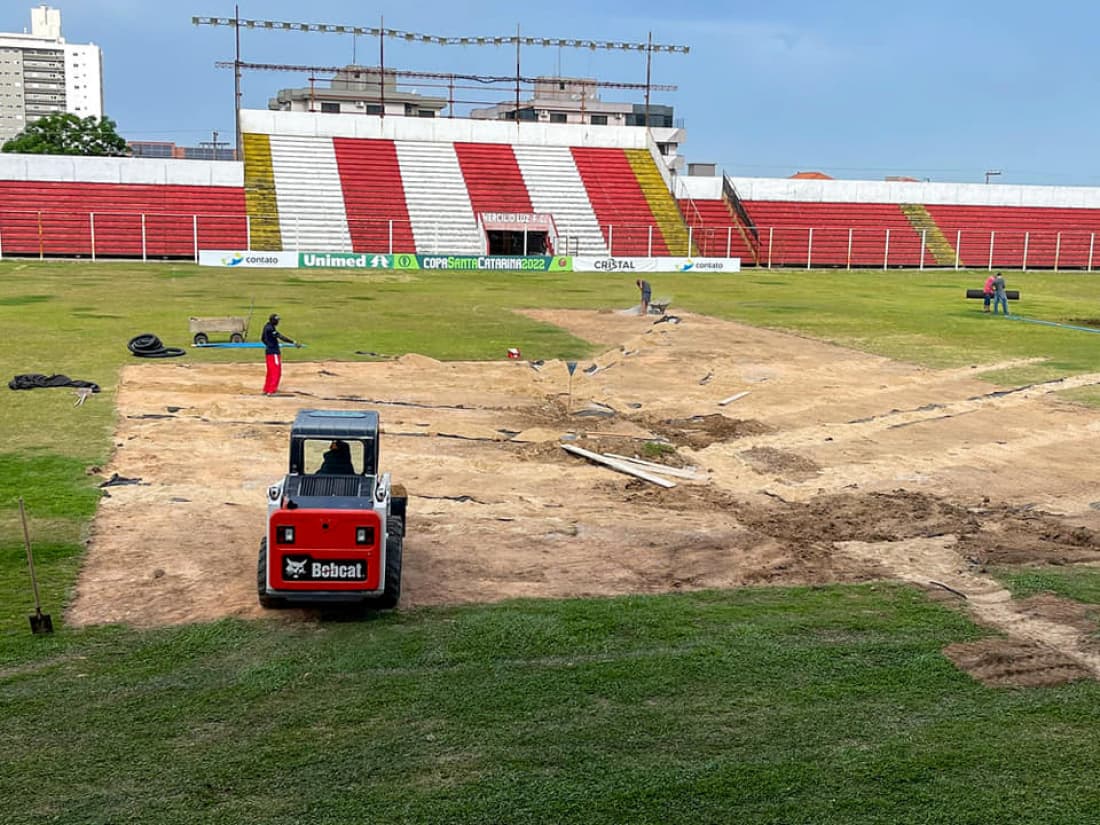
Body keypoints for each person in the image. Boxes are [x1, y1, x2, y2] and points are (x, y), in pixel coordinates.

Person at [261, 313, 299, 395]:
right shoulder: (271, 329)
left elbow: (262, 338)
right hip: (274, 352)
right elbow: (280, 337)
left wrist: (268, 344)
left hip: (268, 352)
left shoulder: (266, 326)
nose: (278, 322)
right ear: (274, 321)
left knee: (270, 372)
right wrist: (293, 342)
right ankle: (271, 390)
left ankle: (267, 389)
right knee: (276, 371)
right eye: (277, 320)